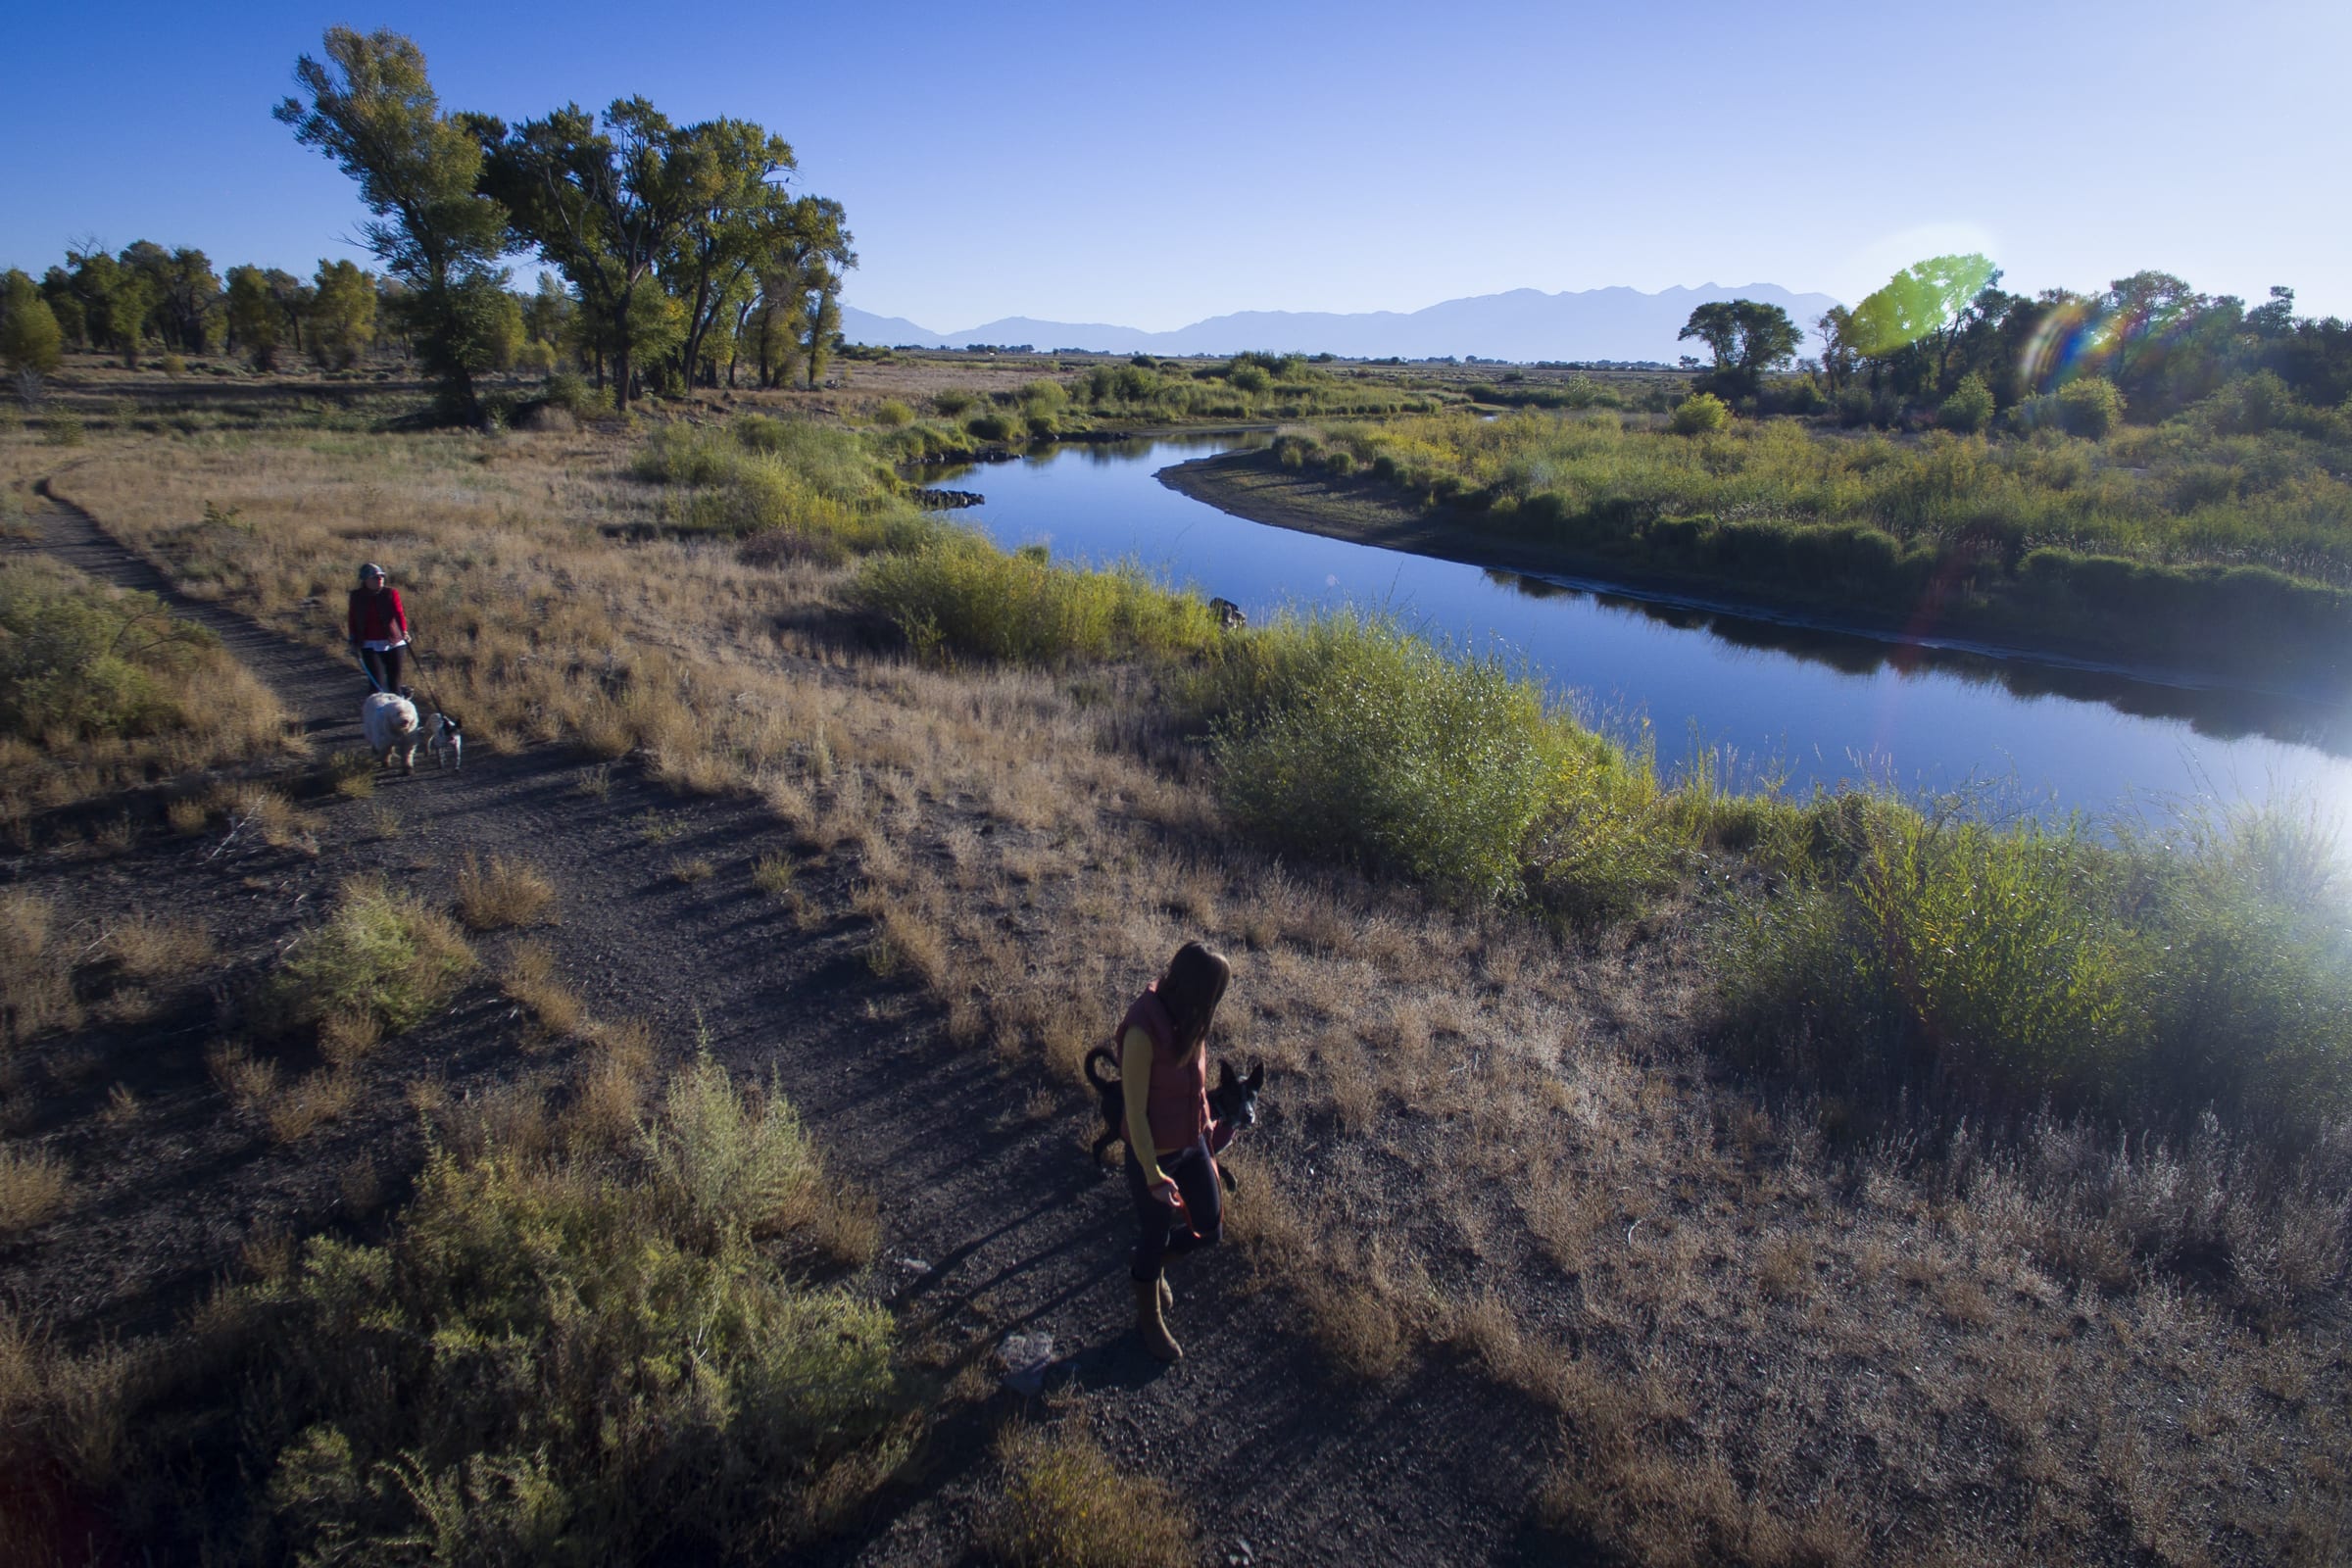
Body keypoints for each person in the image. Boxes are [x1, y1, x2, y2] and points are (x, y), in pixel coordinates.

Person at [1117, 940, 1235, 1361]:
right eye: (1215, 994)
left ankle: (1152, 1264)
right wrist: (1153, 1174)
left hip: (1193, 1143)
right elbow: (1135, 1110)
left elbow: (1195, 1088)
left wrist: (1210, 1133)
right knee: (1154, 1234)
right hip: (1154, 1156)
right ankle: (1148, 1313)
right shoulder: (1141, 1030)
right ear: (1196, 989)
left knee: (1209, 1227)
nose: (1218, 1004)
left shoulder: (1192, 1018)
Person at [347, 563, 411, 695]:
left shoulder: (391, 593)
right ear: (366, 580)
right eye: (375, 577)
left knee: (394, 684)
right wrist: (353, 639)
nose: (380, 579)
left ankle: (398, 712)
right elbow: (352, 619)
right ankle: (378, 713)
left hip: (394, 642)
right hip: (369, 644)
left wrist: (404, 631)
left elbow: (399, 614)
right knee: (377, 684)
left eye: (382, 576)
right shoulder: (356, 596)